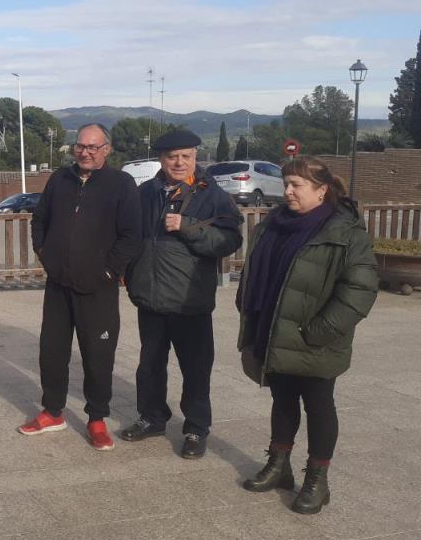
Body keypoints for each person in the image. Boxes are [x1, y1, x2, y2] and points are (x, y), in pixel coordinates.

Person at [238, 156, 377, 514]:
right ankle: (278, 465)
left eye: (296, 185)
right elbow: (257, 272)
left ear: (322, 189)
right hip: (275, 328)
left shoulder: (346, 232)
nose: (287, 192)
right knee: (282, 401)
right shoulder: (274, 225)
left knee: (318, 406)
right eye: (285, 184)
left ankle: (317, 480)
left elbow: (359, 290)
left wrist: (319, 331)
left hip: (316, 339)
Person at [120, 131, 243, 458]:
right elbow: (130, 237)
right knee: (149, 366)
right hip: (150, 299)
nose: (179, 162)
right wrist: (129, 275)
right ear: (161, 158)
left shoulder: (213, 196)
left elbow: (229, 241)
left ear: (194, 157)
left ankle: (195, 429)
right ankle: (151, 417)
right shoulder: (145, 193)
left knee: (196, 369)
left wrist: (188, 226)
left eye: (185, 156)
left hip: (191, 301)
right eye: (172, 156)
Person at [19, 123, 141, 450]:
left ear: (107, 149)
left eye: (93, 147)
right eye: (80, 146)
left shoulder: (121, 184)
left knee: (98, 354)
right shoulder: (60, 179)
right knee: (52, 351)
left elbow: (131, 235)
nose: (85, 152)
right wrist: (44, 253)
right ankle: (53, 411)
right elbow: (39, 220)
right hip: (58, 284)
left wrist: (108, 272)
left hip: (98, 289)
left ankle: (97, 418)